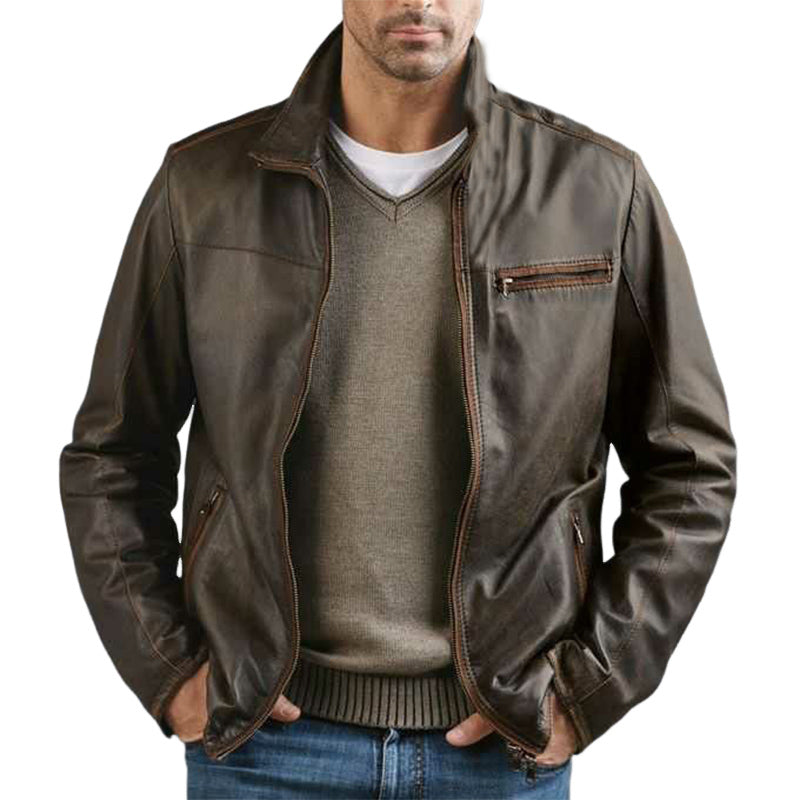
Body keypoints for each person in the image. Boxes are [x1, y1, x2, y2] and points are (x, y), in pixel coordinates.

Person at [58, 2, 737, 798]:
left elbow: (691, 467)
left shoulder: (595, 191)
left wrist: (586, 690)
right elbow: (111, 454)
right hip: (266, 752)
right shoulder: (206, 187)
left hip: (499, 750)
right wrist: (171, 674)